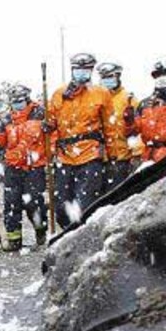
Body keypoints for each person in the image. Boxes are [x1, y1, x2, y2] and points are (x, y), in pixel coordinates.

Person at [43, 52, 125, 225]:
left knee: (85, 203)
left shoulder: (101, 94)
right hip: (65, 156)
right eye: (78, 68)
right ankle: (66, 230)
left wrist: (113, 156)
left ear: (91, 70)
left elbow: (110, 128)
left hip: (90, 155)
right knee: (61, 205)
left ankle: (79, 238)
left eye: (86, 69)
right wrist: (48, 127)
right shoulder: (59, 94)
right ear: (72, 70)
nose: (82, 72)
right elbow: (51, 123)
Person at [0, 84, 50, 251]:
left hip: (34, 166)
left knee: (34, 202)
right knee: (11, 204)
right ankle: (14, 239)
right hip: (12, 167)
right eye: (14, 101)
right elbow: (0, 142)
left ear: (27, 99)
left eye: (20, 100)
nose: (18, 104)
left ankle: (41, 231)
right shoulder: (6, 119)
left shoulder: (40, 114)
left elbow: (51, 135)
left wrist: (50, 134)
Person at [97, 61, 141, 190]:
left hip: (122, 158)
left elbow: (137, 129)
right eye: (104, 77)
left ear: (118, 77)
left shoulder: (129, 100)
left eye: (110, 76)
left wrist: (137, 154)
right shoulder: (96, 99)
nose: (107, 80)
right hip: (98, 159)